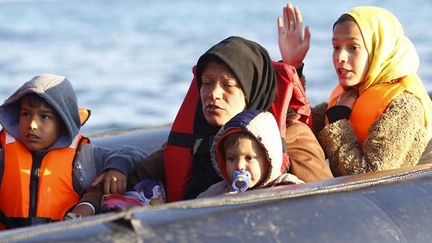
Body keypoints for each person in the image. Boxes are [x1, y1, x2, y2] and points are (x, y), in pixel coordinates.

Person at [74, 35, 333, 215]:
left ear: (250, 89)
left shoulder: (289, 135)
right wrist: (112, 175)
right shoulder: (195, 139)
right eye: (207, 83)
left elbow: (333, 203)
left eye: (228, 85)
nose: (213, 94)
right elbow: (140, 171)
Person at [279, 5, 432, 176]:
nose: (340, 57)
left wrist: (339, 119)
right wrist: (293, 66)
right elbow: (299, 129)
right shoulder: (347, 96)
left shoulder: (404, 106)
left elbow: (370, 177)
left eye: (353, 47)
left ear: (379, 50)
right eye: (336, 47)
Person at [0, 74, 147, 229]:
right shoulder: (4, 156)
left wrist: (117, 168)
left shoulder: (84, 158)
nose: (32, 125)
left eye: (44, 117)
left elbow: (134, 153)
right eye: (26, 114)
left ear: (63, 123)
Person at [198, 110, 304, 198]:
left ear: (269, 159)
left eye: (249, 158)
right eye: (231, 158)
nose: (239, 166)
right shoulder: (216, 194)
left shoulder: (288, 188)